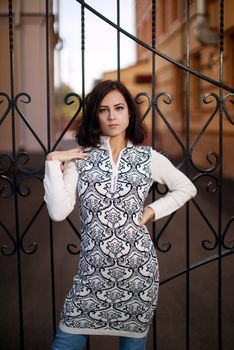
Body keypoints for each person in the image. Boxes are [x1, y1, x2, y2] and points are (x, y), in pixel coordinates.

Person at [44, 80, 197, 350]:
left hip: (138, 274)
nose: (112, 116)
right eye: (103, 110)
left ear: (129, 113)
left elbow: (186, 187)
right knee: (65, 344)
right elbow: (58, 212)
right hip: (91, 275)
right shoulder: (81, 158)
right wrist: (52, 162)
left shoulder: (147, 158)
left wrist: (152, 210)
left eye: (118, 108)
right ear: (95, 115)